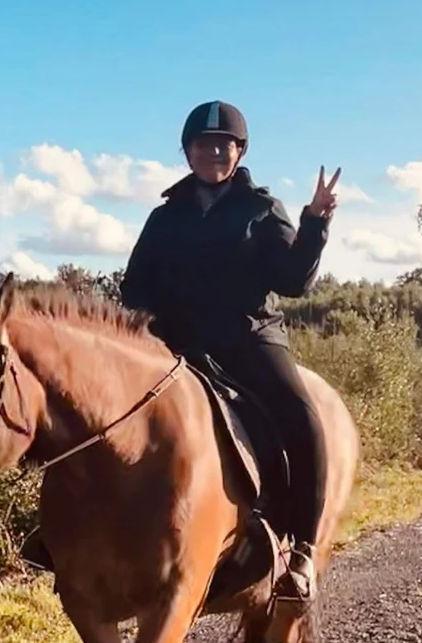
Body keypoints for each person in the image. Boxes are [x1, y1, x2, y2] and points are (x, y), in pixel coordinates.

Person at [120, 100, 338, 604]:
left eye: (225, 145)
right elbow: (134, 289)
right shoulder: (164, 217)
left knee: (303, 419)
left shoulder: (260, 210)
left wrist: (314, 224)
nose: (214, 152)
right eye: (203, 144)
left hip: (248, 340)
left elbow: (294, 281)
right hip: (175, 348)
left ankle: (301, 549)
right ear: (187, 151)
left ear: (239, 152)